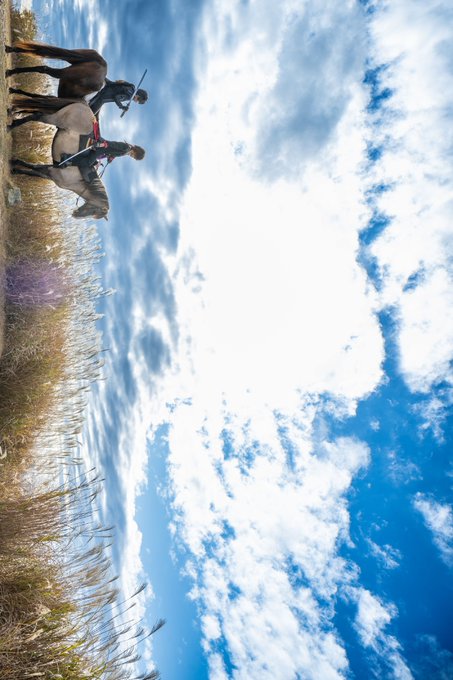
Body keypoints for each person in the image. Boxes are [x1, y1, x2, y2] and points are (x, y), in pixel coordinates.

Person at [58, 139, 145, 181]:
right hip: (102, 149)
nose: (132, 157)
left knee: (93, 163)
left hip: (104, 152)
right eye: (134, 156)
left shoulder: (126, 151)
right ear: (136, 151)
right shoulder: (126, 148)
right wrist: (103, 144)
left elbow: (115, 152)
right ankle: (68, 159)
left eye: (134, 157)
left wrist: (111, 158)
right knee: (88, 162)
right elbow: (114, 144)